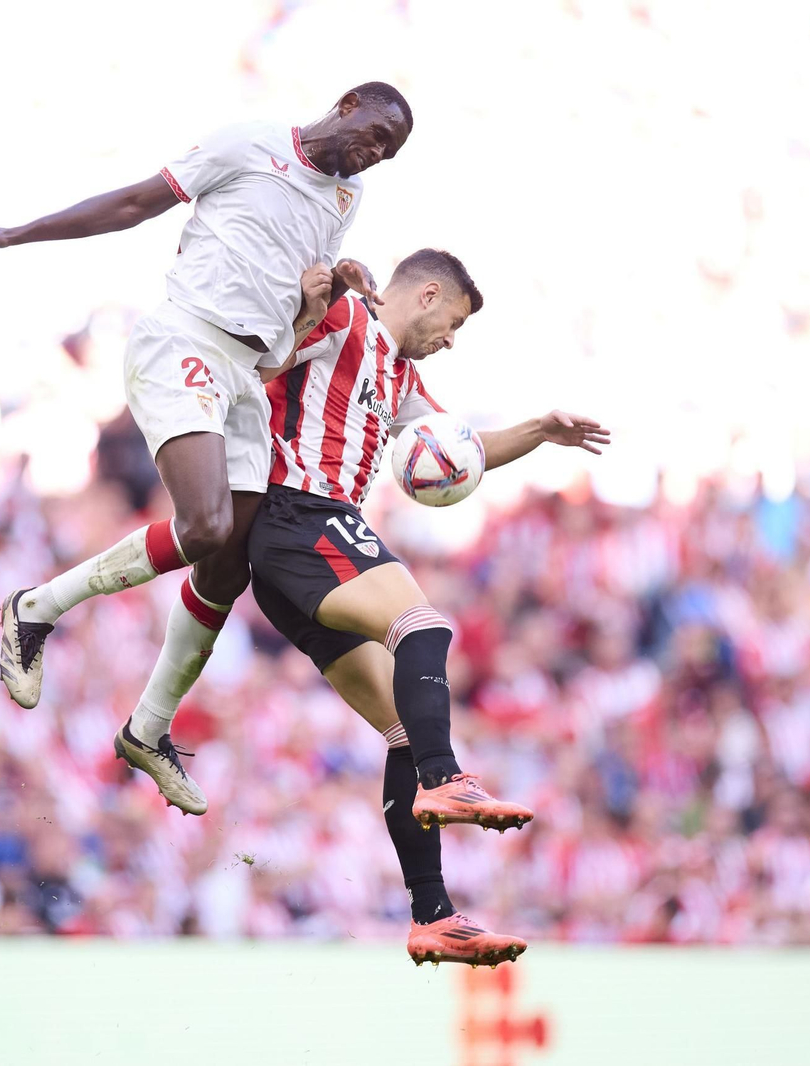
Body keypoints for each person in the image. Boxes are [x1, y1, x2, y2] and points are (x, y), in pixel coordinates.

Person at [0, 84, 414, 814]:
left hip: (248, 371)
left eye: (389, 151)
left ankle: (148, 728)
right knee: (207, 525)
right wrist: (13, 235)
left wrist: (329, 290)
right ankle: (36, 606)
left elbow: (293, 293)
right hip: (186, 339)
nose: (376, 154)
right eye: (376, 134)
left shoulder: (347, 198)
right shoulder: (250, 142)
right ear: (347, 105)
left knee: (228, 562)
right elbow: (136, 202)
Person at [248, 248, 611, 966]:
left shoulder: (399, 376)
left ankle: (433, 916)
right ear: (428, 295)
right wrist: (308, 307)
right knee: (423, 624)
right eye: (453, 324)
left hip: (297, 552)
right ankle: (446, 780)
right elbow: (260, 364)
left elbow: (463, 449)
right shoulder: (345, 317)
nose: (450, 340)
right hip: (300, 515)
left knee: (403, 734)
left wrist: (540, 431)